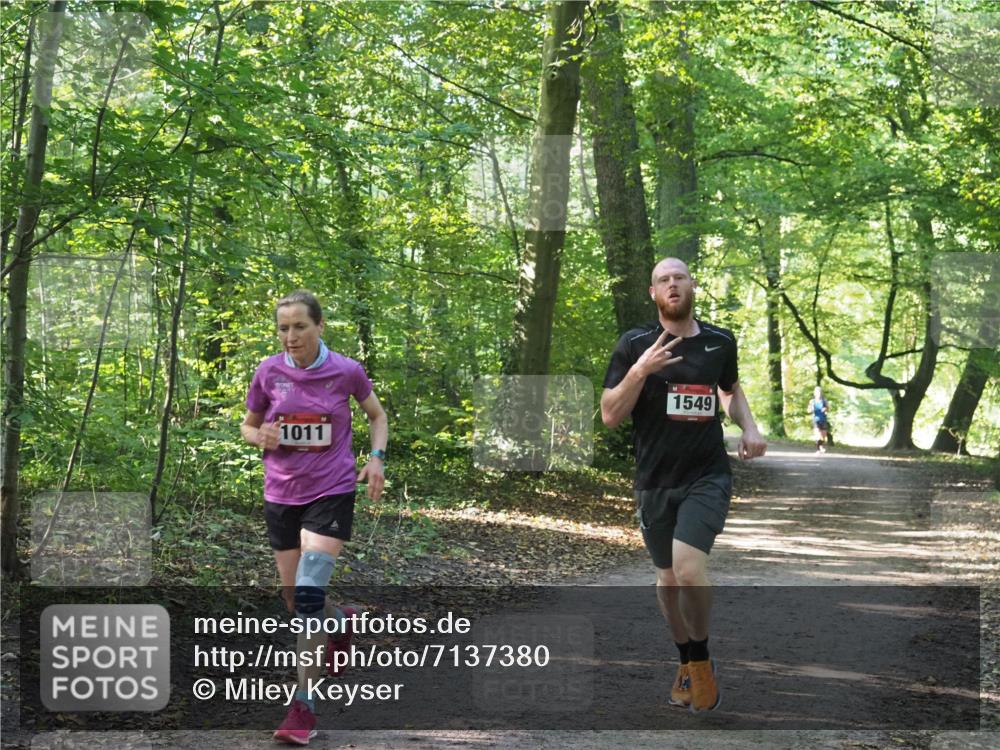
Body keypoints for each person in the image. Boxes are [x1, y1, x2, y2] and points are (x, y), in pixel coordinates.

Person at [600, 257, 766, 713]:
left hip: (707, 474)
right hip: (654, 480)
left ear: (693, 285)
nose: (672, 285)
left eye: (679, 278)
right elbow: (610, 415)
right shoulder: (634, 344)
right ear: (653, 293)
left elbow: (729, 390)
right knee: (668, 579)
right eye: (663, 280)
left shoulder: (719, 341)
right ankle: (685, 661)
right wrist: (640, 371)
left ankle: (702, 659)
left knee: (689, 568)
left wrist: (750, 427)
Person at [241, 290, 387, 745]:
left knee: (307, 593)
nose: (291, 336)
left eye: (300, 326)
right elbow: (247, 424)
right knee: (296, 600)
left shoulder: (346, 371)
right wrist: (259, 436)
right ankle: (339, 621)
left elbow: (377, 416)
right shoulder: (268, 372)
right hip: (281, 494)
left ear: (320, 326)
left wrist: (376, 458)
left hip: (332, 490)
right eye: (283, 328)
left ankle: (303, 708)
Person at [808, 386, 829, 453]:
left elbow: (828, 408)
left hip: (823, 419)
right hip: (816, 420)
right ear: (814, 393)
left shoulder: (824, 401)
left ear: (821, 393)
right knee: (818, 435)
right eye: (817, 392)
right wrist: (812, 409)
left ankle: (821, 446)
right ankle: (818, 449)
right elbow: (808, 410)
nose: (818, 394)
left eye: (819, 392)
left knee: (823, 437)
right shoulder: (812, 401)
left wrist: (825, 409)